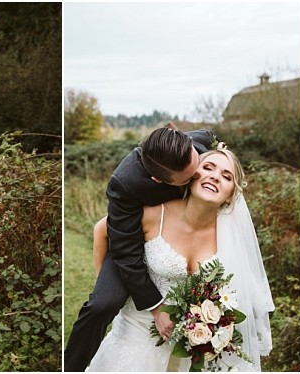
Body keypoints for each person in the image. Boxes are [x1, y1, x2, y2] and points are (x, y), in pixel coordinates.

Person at [86, 148, 273, 371]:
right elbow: (102, 231)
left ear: (232, 194)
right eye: (208, 167)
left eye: (226, 176)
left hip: (181, 349)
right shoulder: (156, 213)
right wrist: (108, 291)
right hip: (133, 334)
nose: (215, 176)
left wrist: (211, 328)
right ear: (193, 174)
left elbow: (236, 297)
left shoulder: (229, 237)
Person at [64, 126, 219, 371]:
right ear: (159, 180)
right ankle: (71, 367)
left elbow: (212, 140)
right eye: (190, 178)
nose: (200, 172)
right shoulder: (125, 183)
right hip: (131, 242)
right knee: (102, 304)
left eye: (198, 161)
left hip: (181, 239)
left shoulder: (197, 143)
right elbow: (124, 251)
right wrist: (156, 308)